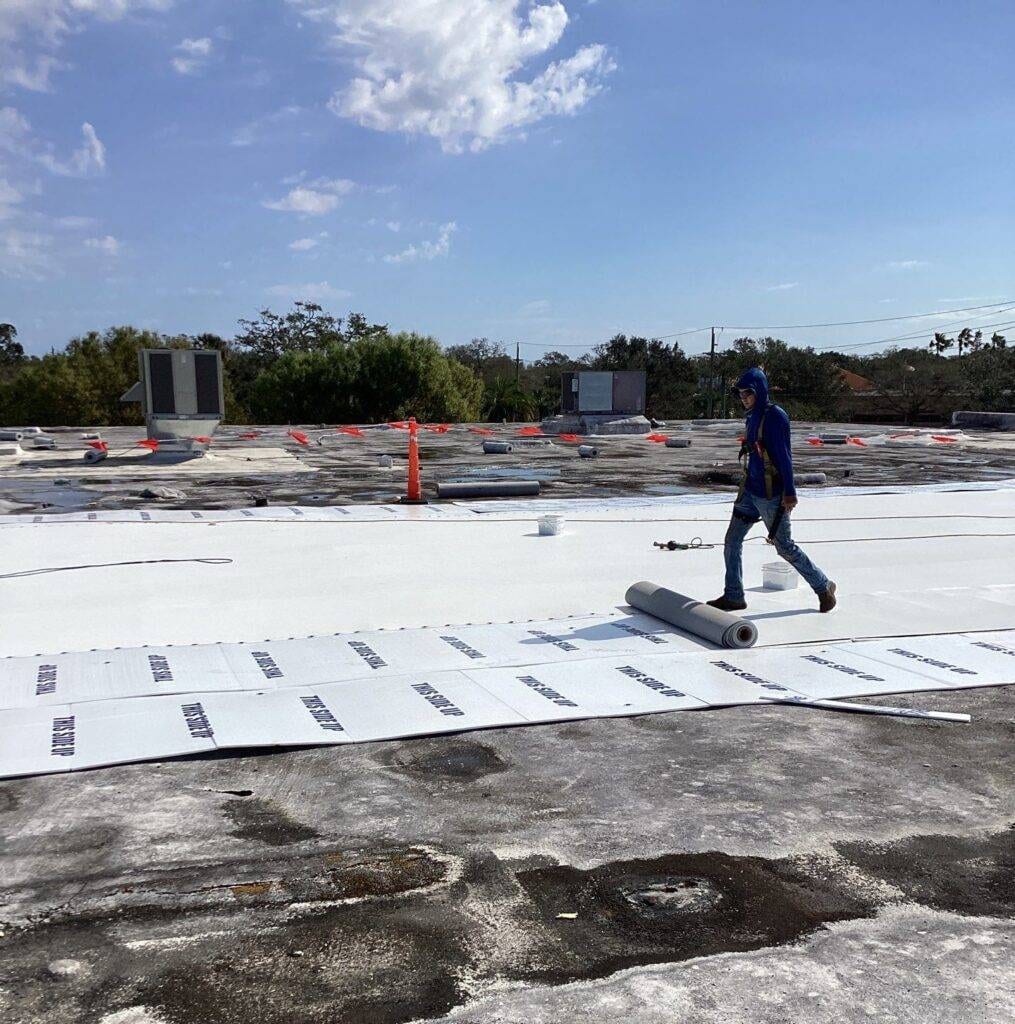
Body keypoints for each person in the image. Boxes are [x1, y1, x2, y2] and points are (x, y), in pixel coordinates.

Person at [707, 367, 837, 613]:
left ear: (760, 391)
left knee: (784, 547)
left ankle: (823, 586)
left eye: (748, 393)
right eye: (740, 394)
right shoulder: (751, 415)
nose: (744, 398)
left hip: (771, 495)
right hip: (751, 491)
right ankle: (734, 595)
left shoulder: (775, 416)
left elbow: (785, 457)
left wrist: (790, 492)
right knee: (732, 540)